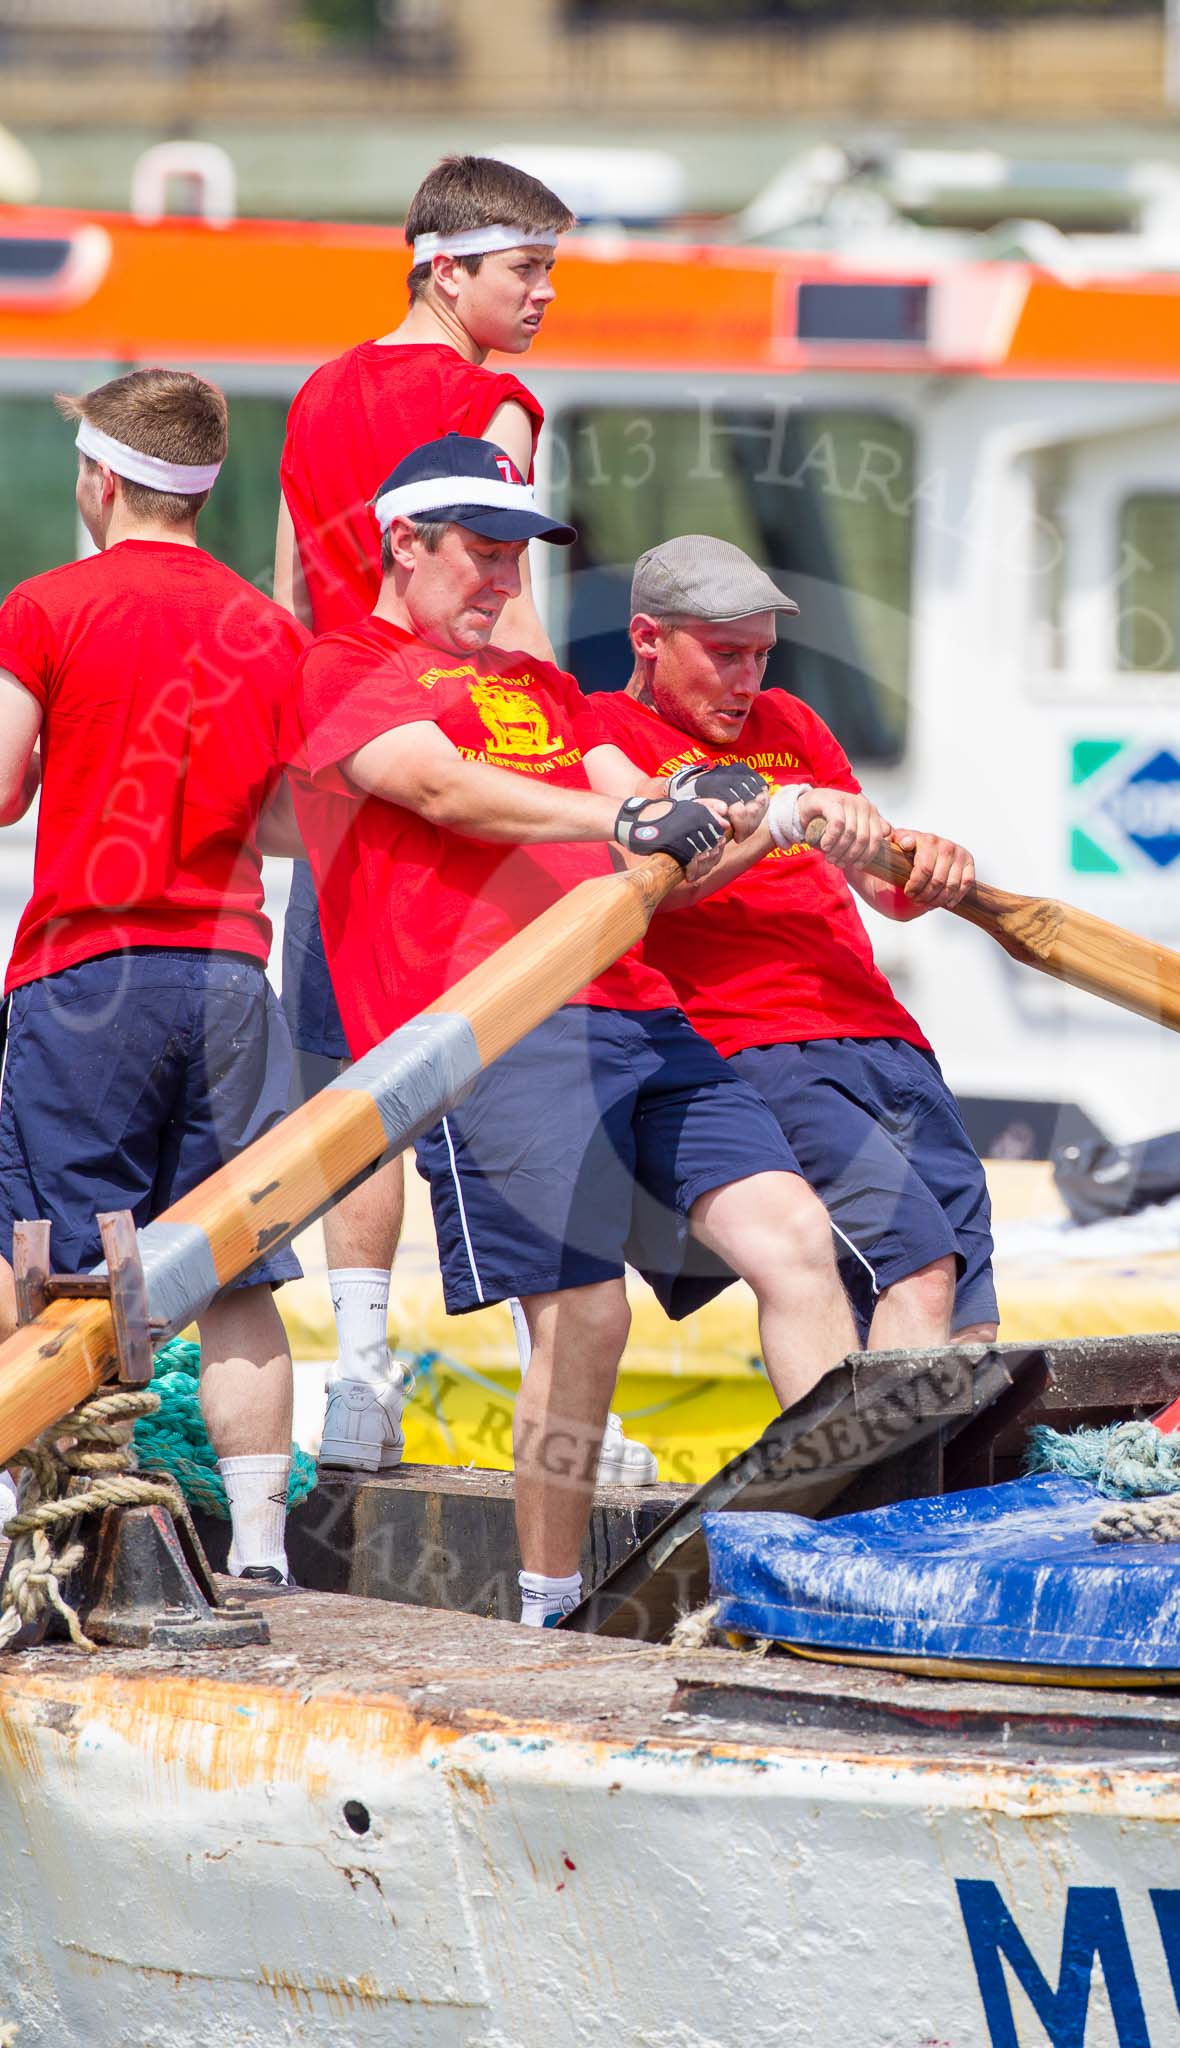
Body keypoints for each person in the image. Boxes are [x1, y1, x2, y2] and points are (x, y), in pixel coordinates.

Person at [284, 437, 862, 1625]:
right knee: (588, 1310)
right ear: (406, 542)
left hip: (639, 1013)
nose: (504, 580)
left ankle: (847, 1556)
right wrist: (633, 810)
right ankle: (549, 1603)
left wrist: (789, 813)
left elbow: (662, 841)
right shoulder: (343, 663)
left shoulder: (544, 690)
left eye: (517, 558)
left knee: (800, 1242)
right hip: (493, 1022)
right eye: (482, 553)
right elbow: (445, 787)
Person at [274, 154, 594, 1469]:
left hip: (347, 753)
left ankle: (358, 1381)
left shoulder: (316, 391)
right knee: (514, 1078)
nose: (544, 298)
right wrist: (571, 772)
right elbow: (502, 595)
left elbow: (293, 585)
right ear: (443, 266)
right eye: (527, 271)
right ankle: (563, 1402)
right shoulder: (491, 401)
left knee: (359, 1084)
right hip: (460, 757)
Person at [0, 369, 308, 1584]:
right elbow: (285, 820)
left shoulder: (46, 605)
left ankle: (46, 1540)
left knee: (56, 1264)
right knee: (232, 1266)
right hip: (231, 977)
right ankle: (267, 1554)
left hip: (91, 973)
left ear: (101, 477)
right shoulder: (266, 627)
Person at [581, 534, 998, 1352]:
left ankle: (953, 1478)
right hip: (758, 1046)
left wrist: (929, 863)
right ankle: (879, 1484)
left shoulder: (793, 721)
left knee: (971, 1308)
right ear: (646, 638)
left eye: (762, 656)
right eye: (726, 655)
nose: (748, 682)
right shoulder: (602, 733)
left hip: (885, 1037)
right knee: (914, 1271)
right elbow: (654, 885)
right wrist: (781, 820)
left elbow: (882, 889)